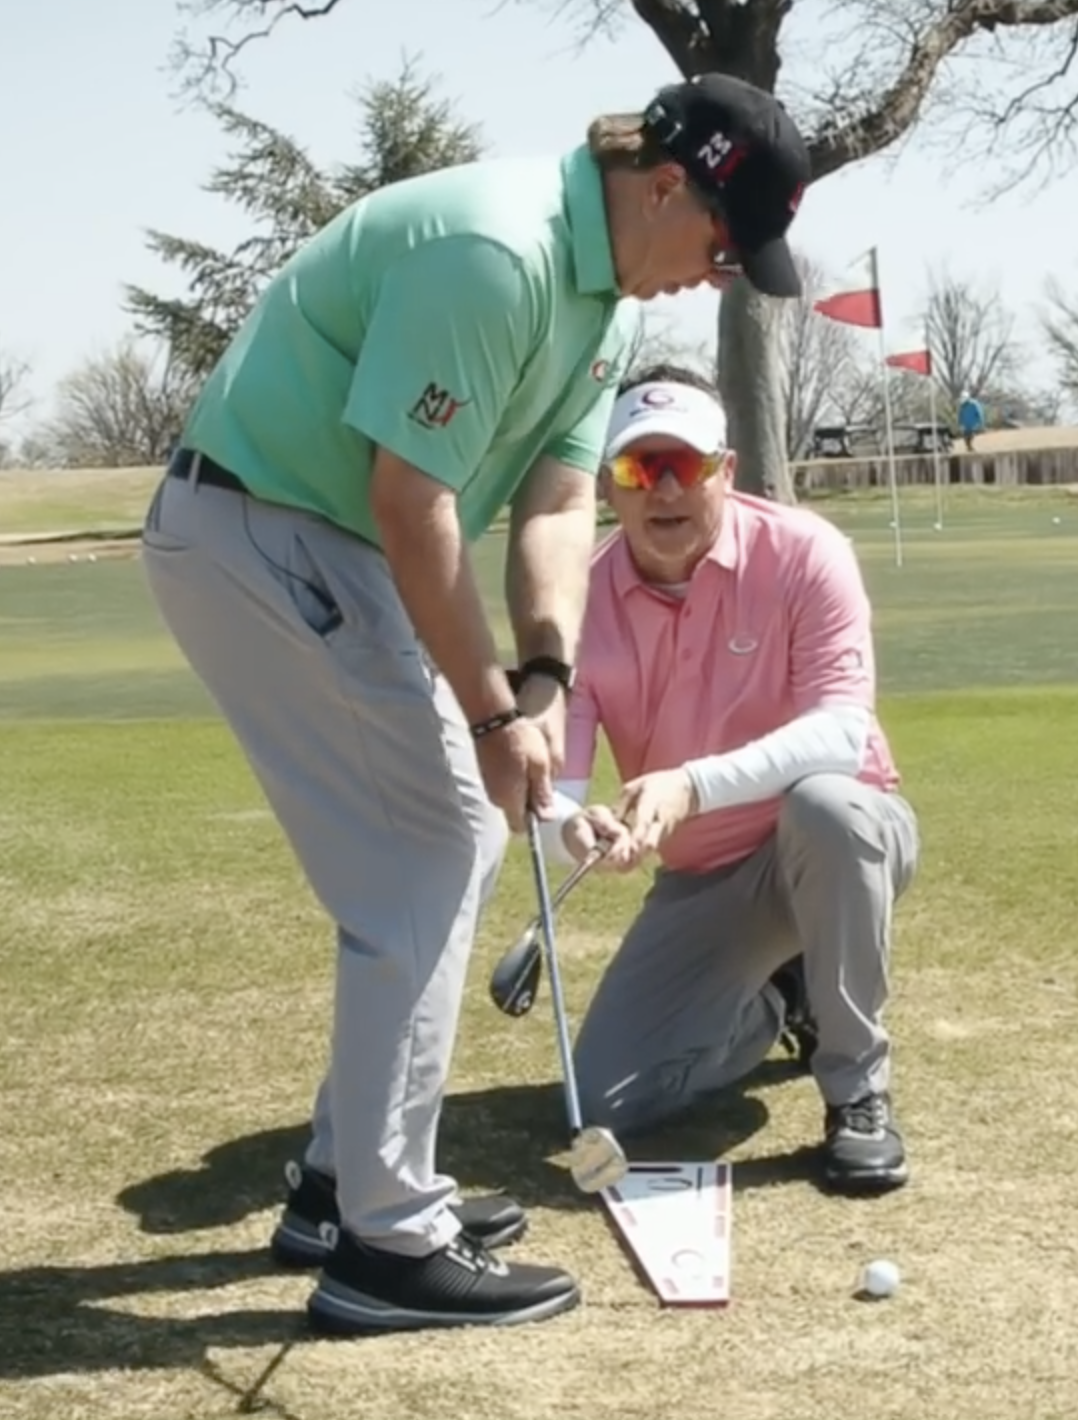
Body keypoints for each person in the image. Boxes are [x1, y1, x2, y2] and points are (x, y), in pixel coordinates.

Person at [138, 76, 813, 1335]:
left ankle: (344, 1187)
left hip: (322, 539)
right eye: (722, 247)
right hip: (261, 521)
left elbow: (555, 506)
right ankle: (384, 1240)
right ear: (666, 185)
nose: (718, 277)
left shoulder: (601, 305)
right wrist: (491, 718)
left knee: (440, 842)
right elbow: (413, 504)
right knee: (442, 835)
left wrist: (541, 678)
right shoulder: (498, 253)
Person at [541, 363, 921, 1194]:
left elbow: (840, 730)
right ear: (612, 484)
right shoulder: (577, 599)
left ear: (728, 471)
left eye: (688, 464)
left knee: (827, 807)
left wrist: (689, 784)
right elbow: (558, 785)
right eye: (642, 469)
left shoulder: (805, 552)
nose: (665, 489)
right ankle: (785, 998)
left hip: (836, 841)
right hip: (706, 875)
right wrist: (574, 827)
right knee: (610, 1096)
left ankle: (856, 1088)